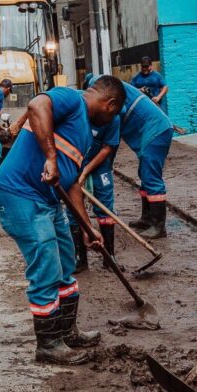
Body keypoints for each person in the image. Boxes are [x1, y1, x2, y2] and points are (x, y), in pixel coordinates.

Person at [0, 76, 125, 365]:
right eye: (113, 114)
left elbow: (72, 182)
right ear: (110, 104)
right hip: (20, 195)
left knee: (66, 263)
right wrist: (50, 157)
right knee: (46, 268)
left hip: (48, 201)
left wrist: (88, 228)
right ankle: (48, 345)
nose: (110, 120)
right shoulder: (71, 99)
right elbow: (37, 104)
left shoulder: (85, 134)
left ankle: (66, 332)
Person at [91, 76, 175, 239]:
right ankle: (147, 218)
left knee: (151, 177)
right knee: (144, 174)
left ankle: (159, 226)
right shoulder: (114, 89)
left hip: (157, 131)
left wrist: (107, 162)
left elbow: (112, 134)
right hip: (153, 130)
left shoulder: (111, 97)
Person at [77, 73, 122, 267]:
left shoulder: (113, 118)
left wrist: (87, 169)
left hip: (99, 165)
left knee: (105, 206)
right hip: (75, 163)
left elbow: (107, 148)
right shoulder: (78, 110)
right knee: (74, 208)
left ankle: (108, 256)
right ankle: (80, 258)